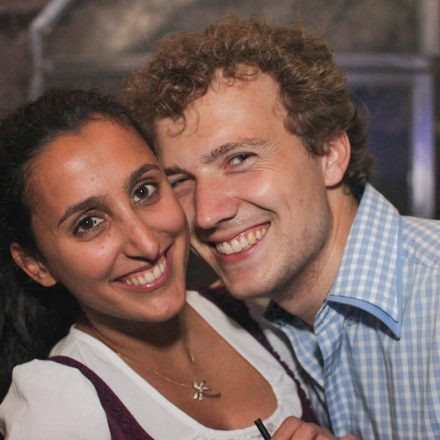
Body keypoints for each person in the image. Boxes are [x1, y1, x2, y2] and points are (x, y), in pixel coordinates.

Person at [123, 15, 440, 440]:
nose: (206, 213)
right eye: (180, 180)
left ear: (329, 154)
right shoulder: (256, 327)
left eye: (239, 159)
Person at [0, 89, 353, 440]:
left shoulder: (253, 315)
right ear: (36, 265)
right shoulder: (57, 409)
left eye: (144, 191)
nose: (147, 243)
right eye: (89, 223)